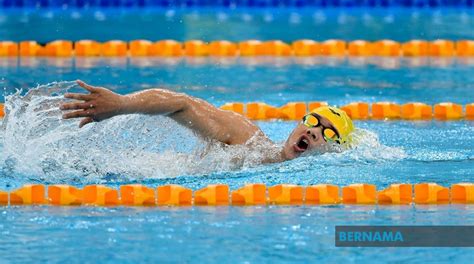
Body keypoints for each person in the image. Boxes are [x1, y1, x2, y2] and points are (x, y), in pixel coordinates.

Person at [60, 80, 354, 164]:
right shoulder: (246, 138)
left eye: (328, 134)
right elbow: (182, 103)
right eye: (314, 121)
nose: (316, 131)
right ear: (297, 125)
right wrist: (121, 104)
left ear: (333, 151)